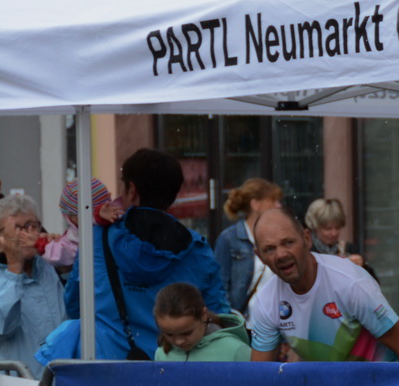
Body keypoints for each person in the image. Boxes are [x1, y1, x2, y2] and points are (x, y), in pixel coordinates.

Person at [63, 149, 230, 361]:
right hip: (175, 366)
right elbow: (217, 317)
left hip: (106, 365)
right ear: (174, 193)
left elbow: (75, 304)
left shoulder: (97, 238)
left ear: (132, 190)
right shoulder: (197, 249)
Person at [248, 208, 399, 363]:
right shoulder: (265, 302)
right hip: (330, 385)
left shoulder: (350, 283)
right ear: (260, 256)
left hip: (380, 383)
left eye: (288, 243)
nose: (280, 255)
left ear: (307, 239)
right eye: (269, 249)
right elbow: (258, 375)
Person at [0, 193, 64, 376]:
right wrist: (14, 266)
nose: (27, 234)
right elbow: (2, 328)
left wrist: (63, 258)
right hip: (16, 384)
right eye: (18, 228)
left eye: (32, 226)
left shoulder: (48, 265)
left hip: (58, 380)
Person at [212, 179, 282, 318]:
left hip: (278, 321)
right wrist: (231, 321)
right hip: (245, 323)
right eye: (273, 201)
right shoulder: (229, 239)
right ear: (255, 204)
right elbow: (219, 287)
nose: (279, 206)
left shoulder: (279, 236)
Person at [152, 283, 250, 362]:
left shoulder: (235, 350)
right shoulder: (161, 354)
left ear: (203, 315)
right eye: (169, 334)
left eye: (187, 333)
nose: (179, 341)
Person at [41, 177, 113, 272]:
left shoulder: (84, 235)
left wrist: (41, 244)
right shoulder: (113, 225)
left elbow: (59, 255)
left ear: (80, 216)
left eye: (70, 216)